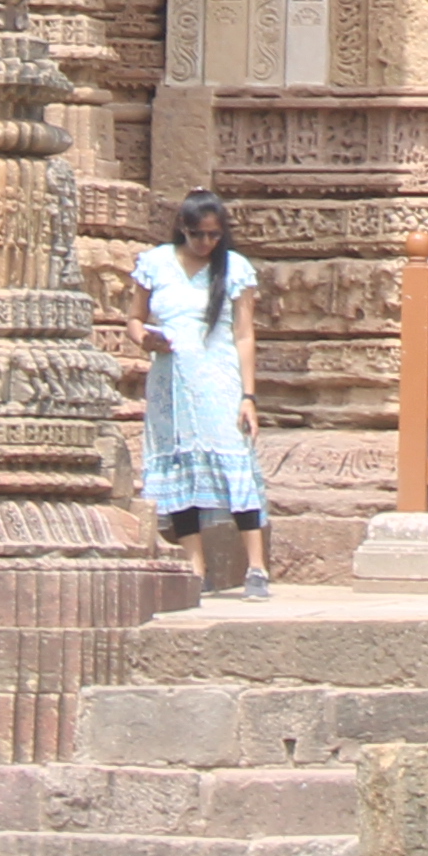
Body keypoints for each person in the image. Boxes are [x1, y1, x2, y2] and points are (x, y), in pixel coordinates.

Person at [129, 189, 269, 599]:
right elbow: (134, 318)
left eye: (213, 235)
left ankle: (256, 567)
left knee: (237, 465)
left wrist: (249, 396)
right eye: (197, 235)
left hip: (219, 380)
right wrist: (144, 340)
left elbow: (244, 335)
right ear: (183, 231)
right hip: (171, 381)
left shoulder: (235, 269)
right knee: (181, 470)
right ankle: (196, 566)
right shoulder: (155, 263)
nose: (206, 243)